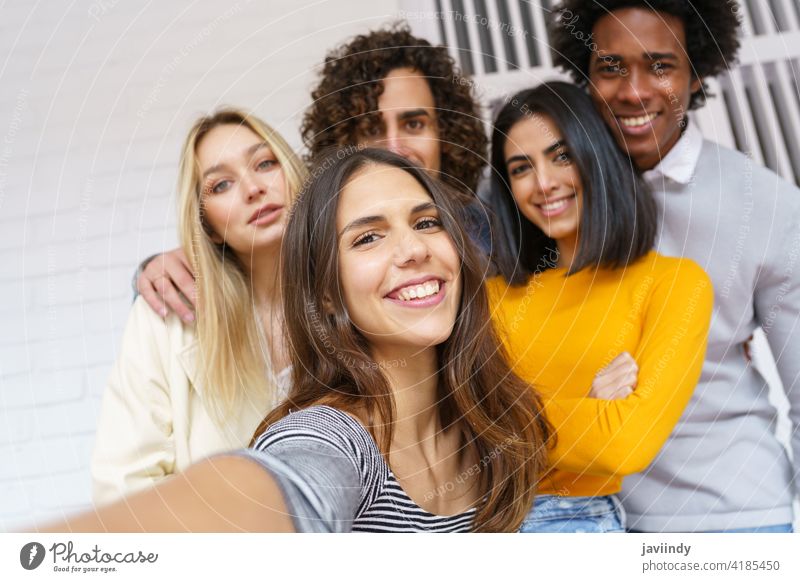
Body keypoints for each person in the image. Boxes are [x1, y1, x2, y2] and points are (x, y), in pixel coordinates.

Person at [43, 148, 552, 533]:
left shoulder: (495, 424)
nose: (414, 248)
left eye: (425, 222)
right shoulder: (333, 438)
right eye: (367, 237)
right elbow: (283, 487)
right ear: (327, 295)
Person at [551, 0, 800, 532]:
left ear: (696, 74)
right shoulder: (544, 194)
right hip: (575, 516)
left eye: (660, 65)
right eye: (610, 67)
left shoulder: (768, 206)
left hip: (725, 517)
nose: (634, 90)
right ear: (585, 78)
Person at [135, 23, 491, 322]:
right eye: (371, 128)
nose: (394, 146)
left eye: (414, 123)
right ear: (343, 141)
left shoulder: (493, 229)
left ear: (445, 132)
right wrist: (158, 267)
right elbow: (247, 269)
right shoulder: (320, 233)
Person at [487, 81, 713, 532]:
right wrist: (588, 408)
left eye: (562, 155)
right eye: (520, 168)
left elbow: (628, 443)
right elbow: (457, 436)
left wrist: (512, 419)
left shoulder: (673, 284)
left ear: (599, 155)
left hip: (574, 525)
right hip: (481, 526)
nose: (544, 183)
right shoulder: (491, 297)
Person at [91, 109, 306, 505]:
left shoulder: (358, 296)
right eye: (221, 184)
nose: (254, 188)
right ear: (207, 224)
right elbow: (125, 487)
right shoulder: (162, 321)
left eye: (265, 163)